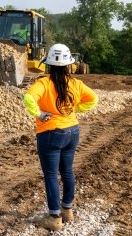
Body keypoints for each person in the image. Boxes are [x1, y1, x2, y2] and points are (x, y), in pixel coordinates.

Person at [23, 43, 98, 231]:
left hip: (50, 133)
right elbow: (93, 99)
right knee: (67, 171)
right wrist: (76, 109)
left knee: (51, 175)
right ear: (68, 65)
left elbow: (28, 98)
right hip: (72, 131)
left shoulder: (43, 83)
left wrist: (39, 114)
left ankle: (55, 218)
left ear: (48, 64)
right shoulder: (75, 83)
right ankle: (67, 211)